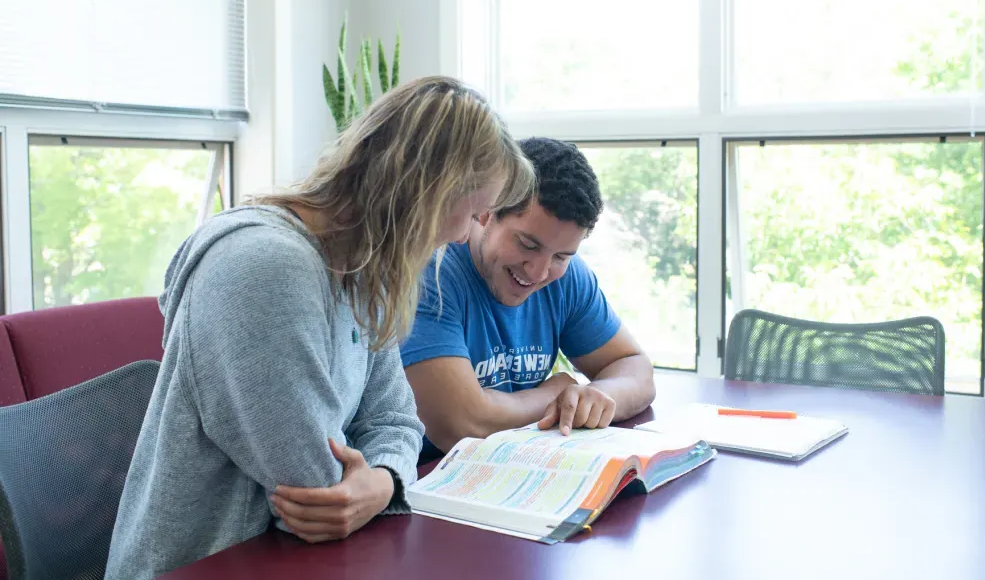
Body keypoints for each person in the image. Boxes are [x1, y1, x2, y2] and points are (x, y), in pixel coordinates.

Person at [104, 77, 535, 578]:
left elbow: (397, 420)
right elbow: (315, 495)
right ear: (430, 193)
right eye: (475, 211)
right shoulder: (267, 268)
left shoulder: (362, 269)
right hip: (210, 562)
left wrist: (383, 482)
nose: (466, 234)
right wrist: (370, 483)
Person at [399, 137, 656, 457]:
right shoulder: (430, 273)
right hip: (417, 481)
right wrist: (554, 394)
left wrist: (597, 397)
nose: (538, 273)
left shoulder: (567, 277)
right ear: (486, 212)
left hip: (510, 471)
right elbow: (464, 424)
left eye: (561, 256)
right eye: (527, 245)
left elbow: (634, 367)